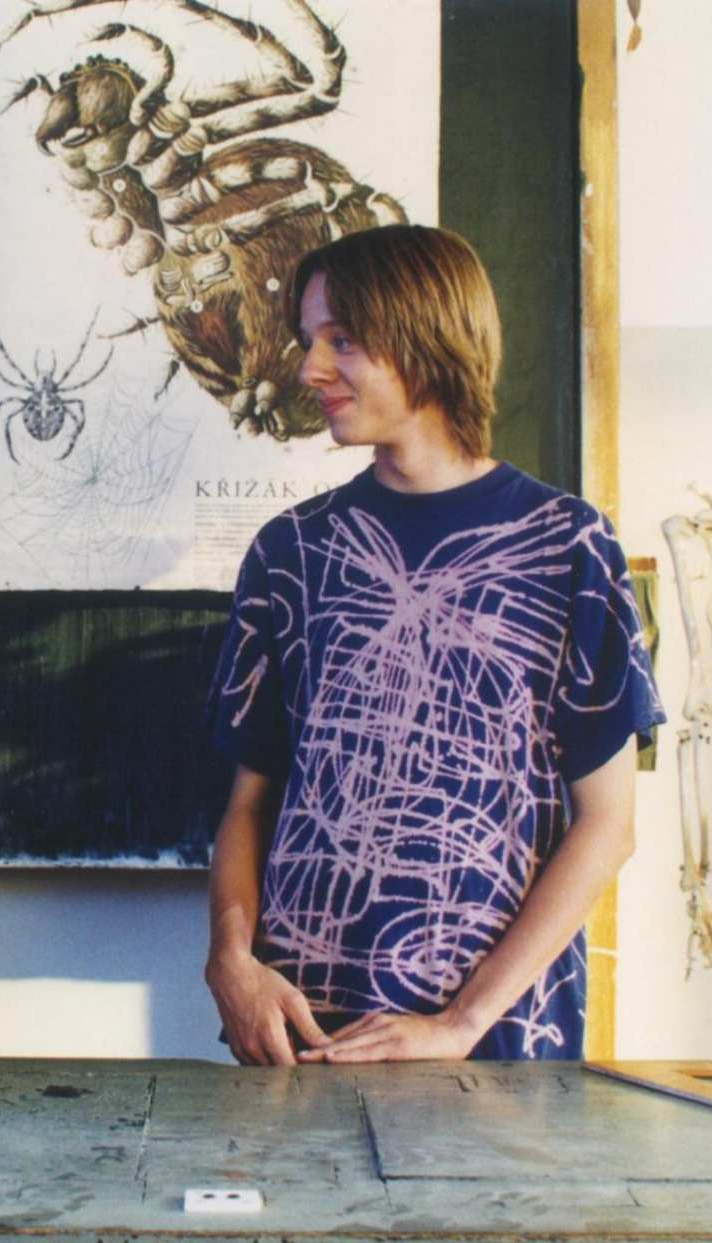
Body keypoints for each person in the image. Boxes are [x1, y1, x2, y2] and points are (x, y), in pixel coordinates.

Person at [204, 225, 663, 1064]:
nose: (309, 369)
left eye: (342, 340)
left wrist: (459, 1023)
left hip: (495, 1052)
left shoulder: (570, 548)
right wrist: (232, 961)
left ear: (426, 336)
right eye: (309, 340)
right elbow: (248, 803)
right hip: (305, 1042)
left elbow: (608, 824)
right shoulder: (291, 552)